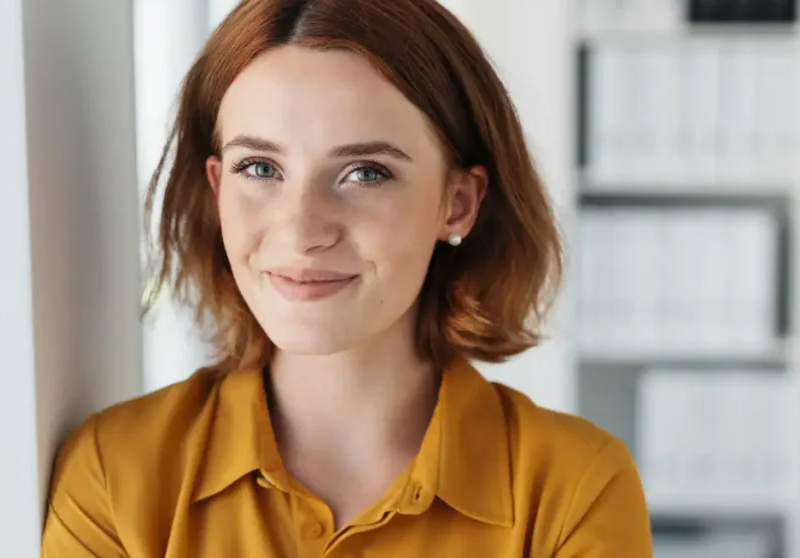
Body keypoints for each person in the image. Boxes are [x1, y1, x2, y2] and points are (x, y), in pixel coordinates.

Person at [40, 0, 653, 555]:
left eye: (365, 172)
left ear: (458, 203)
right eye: (259, 166)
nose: (303, 228)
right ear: (217, 187)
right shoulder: (114, 473)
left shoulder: (575, 488)